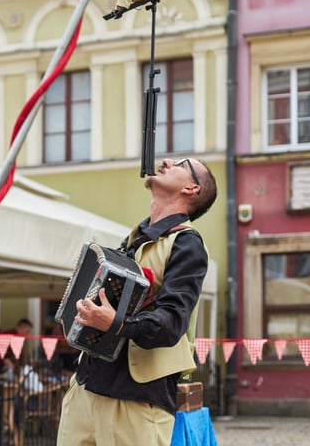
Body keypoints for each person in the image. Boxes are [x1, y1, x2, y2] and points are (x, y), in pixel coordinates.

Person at [56, 157, 218, 445]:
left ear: (193, 188)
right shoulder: (133, 239)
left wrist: (115, 323)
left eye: (181, 164)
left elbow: (171, 323)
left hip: (137, 395)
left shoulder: (186, 244)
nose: (167, 160)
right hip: (86, 386)